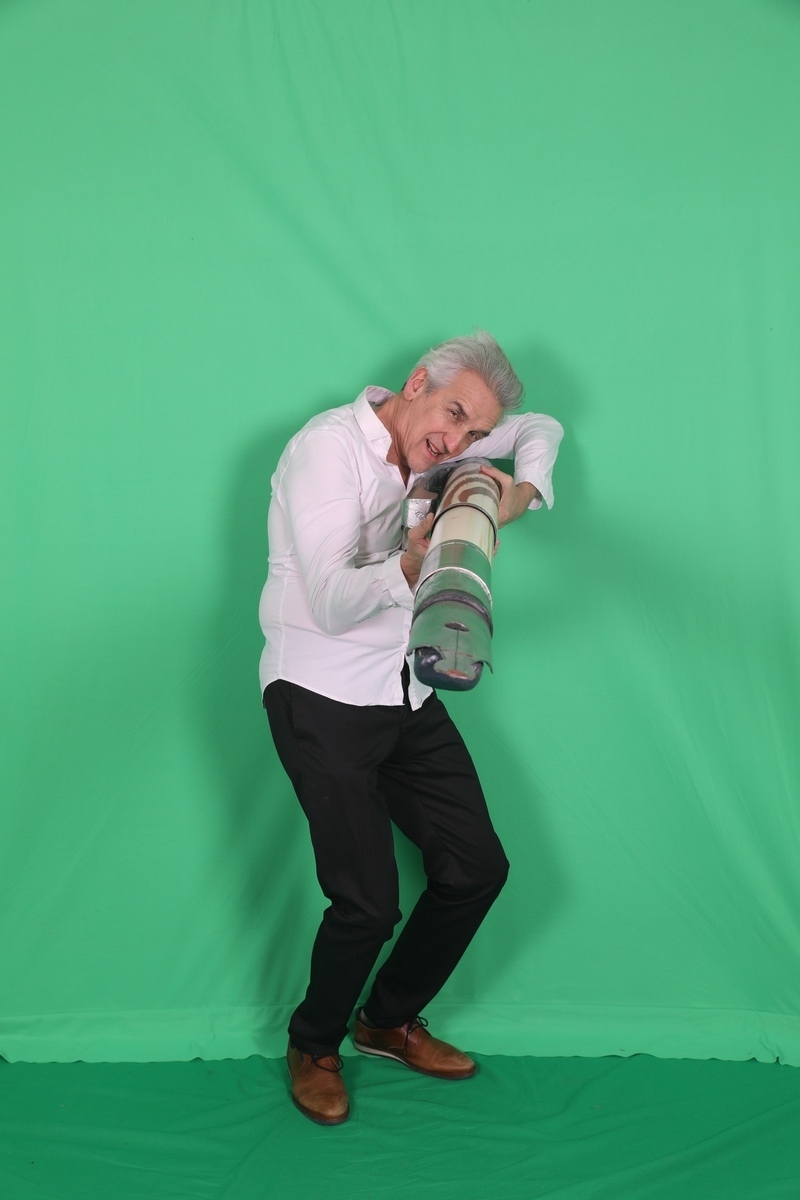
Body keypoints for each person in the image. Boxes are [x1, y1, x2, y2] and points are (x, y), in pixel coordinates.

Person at [259, 331, 563, 1124]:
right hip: (318, 694)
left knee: (477, 869)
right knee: (367, 906)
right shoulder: (326, 450)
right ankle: (313, 1044)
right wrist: (409, 562)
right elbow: (331, 603)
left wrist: (512, 494)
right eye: (454, 416)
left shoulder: (447, 441)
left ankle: (386, 1021)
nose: (457, 442)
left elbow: (541, 428)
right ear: (417, 381)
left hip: (406, 688)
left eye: (475, 431)